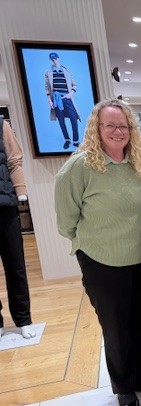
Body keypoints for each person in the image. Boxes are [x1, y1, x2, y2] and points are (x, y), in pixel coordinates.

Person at [55, 99, 141, 406]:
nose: (118, 131)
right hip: (102, 262)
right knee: (116, 329)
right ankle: (124, 387)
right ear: (97, 128)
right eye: (110, 125)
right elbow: (66, 221)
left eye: (123, 126)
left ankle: (140, 377)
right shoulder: (80, 167)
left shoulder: (139, 163)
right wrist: (85, 247)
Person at [0, 119, 35, 341]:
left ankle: (23, 319)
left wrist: (21, 190)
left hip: (4, 207)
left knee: (16, 266)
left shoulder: (1, 125)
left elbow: (14, 159)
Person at [45, 52, 80, 150]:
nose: (54, 61)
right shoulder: (48, 73)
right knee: (61, 120)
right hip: (56, 100)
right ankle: (67, 140)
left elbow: (74, 85)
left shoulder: (66, 71)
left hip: (67, 98)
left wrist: (71, 93)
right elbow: (47, 88)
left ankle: (76, 141)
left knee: (74, 118)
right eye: (52, 59)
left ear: (58, 58)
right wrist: (49, 100)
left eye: (55, 59)